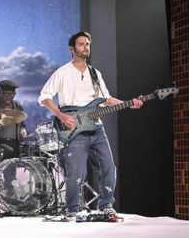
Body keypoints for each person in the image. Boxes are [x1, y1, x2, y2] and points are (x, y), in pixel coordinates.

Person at [38, 30, 143, 217]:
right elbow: (44, 97)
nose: (85, 47)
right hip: (73, 128)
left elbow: (106, 99)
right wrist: (61, 116)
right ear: (71, 49)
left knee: (108, 167)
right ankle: (72, 210)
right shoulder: (62, 72)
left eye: (87, 44)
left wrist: (129, 104)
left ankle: (105, 205)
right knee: (76, 172)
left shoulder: (95, 73)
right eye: (81, 44)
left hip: (96, 127)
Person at [0, 79, 28, 166]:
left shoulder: (18, 107)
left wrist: (22, 130)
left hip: (14, 145)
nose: (9, 97)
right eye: (6, 94)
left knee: (12, 171)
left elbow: (22, 125)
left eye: (12, 94)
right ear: (0, 92)